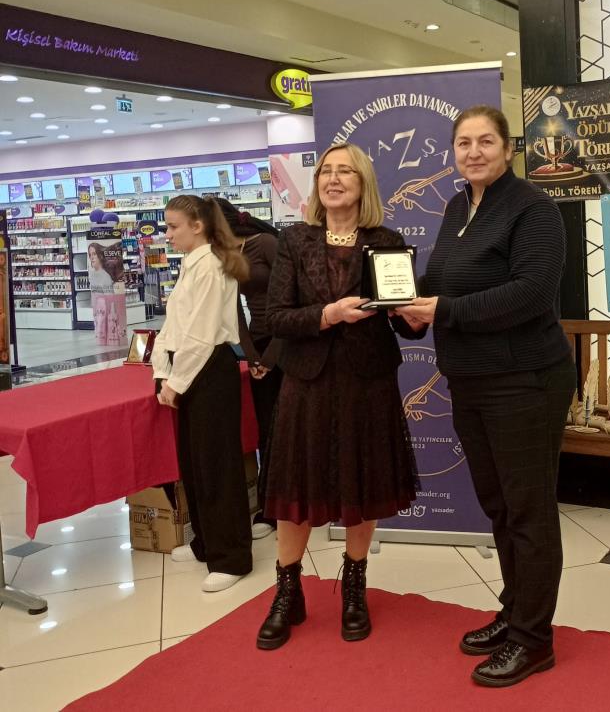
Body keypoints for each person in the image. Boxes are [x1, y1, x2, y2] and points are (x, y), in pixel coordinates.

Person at [396, 105, 576, 689]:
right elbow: (442, 282)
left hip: (525, 379)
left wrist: (444, 311)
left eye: (486, 142)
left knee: (528, 510)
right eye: (464, 143)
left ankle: (534, 639)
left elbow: (531, 293)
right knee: (498, 505)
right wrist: (406, 306)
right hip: (470, 379)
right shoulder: (458, 206)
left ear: (508, 148)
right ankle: (515, 610)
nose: (474, 152)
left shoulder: (534, 209)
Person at [257, 143, 420, 651]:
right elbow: (275, 318)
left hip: (367, 381)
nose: (332, 178)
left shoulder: (387, 241)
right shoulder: (294, 239)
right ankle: (288, 591)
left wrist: (410, 316)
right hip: (306, 381)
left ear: (362, 182)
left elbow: (404, 322)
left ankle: (354, 587)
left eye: (344, 171)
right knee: (296, 486)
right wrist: (328, 315)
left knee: (362, 480)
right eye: (325, 171)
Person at [149, 194, 253, 593]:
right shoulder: (191, 264)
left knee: (217, 467)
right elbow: (174, 325)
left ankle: (231, 556)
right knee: (194, 464)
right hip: (192, 369)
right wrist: (162, 369)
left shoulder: (209, 265)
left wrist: (175, 382)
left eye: (173, 226)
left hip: (209, 370)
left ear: (198, 226)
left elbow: (202, 334)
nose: (168, 234)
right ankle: (206, 543)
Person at [215, 198, 282, 540]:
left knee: (291, 428)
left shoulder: (266, 244)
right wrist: (252, 356)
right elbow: (234, 310)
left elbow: (293, 299)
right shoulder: (224, 256)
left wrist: (270, 357)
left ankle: (294, 502)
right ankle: (270, 507)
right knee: (267, 430)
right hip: (257, 345)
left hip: (286, 344)